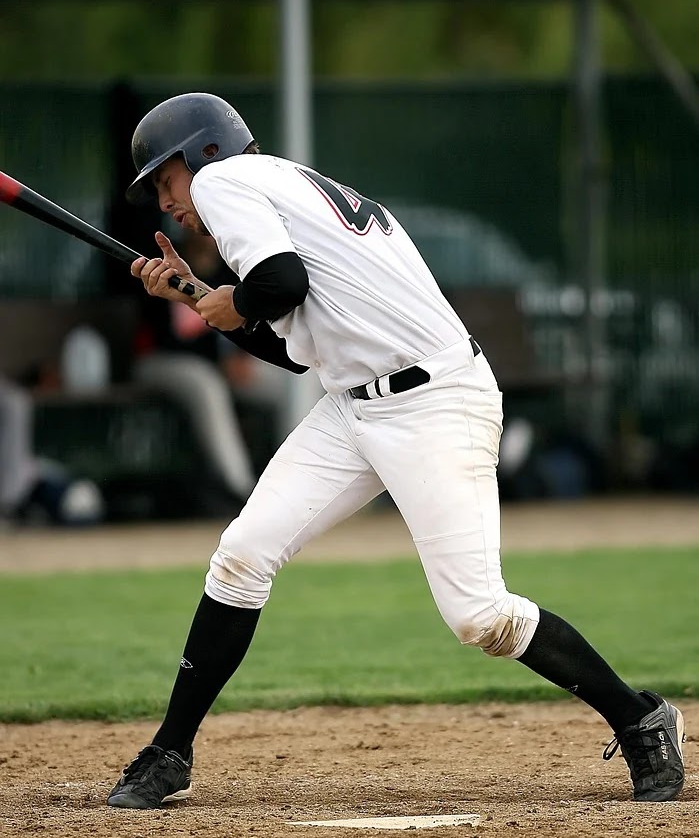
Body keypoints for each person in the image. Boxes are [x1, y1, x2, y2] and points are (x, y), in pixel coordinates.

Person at [107, 93, 685, 810]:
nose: (166, 202)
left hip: (435, 401)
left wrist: (233, 300)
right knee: (243, 555)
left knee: (478, 615)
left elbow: (278, 284)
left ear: (206, 153)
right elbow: (292, 347)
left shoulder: (227, 182)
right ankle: (170, 750)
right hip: (355, 405)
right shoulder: (282, 189)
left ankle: (640, 718)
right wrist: (201, 296)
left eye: (166, 179)